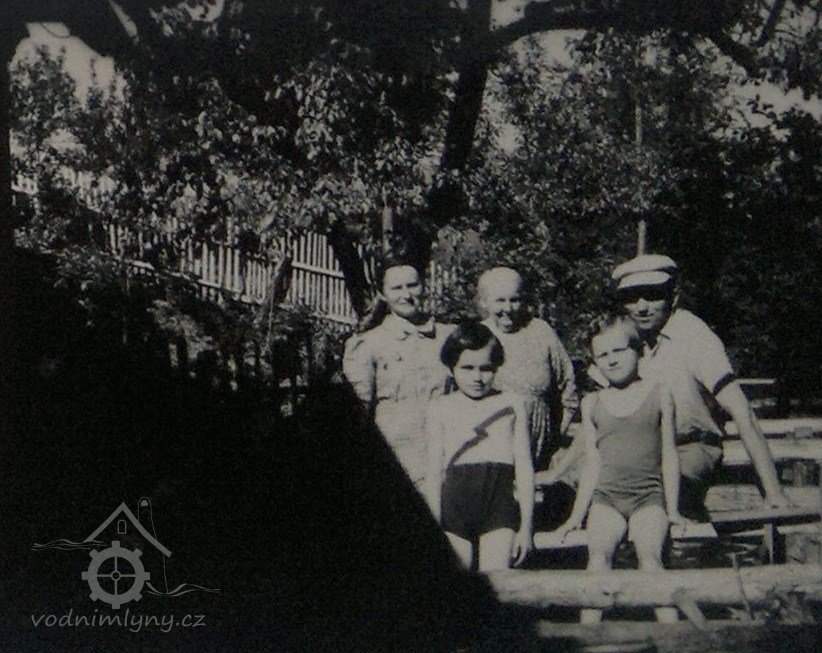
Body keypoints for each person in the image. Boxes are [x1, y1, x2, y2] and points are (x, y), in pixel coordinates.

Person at [610, 253, 791, 520]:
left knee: (653, 494)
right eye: (632, 298)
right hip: (644, 452)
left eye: (653, 295)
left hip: (691, 447)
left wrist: (773, 492)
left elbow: (741, 411)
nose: (642, 307)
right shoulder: (625, 339)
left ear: (673, 297)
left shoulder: (693, 335)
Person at [554, 315, 685, 623]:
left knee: (650, 560)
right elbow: (592, 464)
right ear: (594, 362)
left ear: (639, 351)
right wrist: (575, 516)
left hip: (648, 498)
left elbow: (669, 455)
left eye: (619, 350)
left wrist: (673, 509)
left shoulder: (659, 393)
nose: (611, 360)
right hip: (607, 500)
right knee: (598, 560)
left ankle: (675, 638)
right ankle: (589, 638)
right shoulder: (592, 403)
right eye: (602, 354)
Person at [425, 322, 534, 572]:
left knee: (497, 582)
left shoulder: (511, 402)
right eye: (467, 368)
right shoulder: (439, 407)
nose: (477, 377)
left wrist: (526, 527)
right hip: (454, 509)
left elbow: (524, 467)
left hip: (498, 508)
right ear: (451, 368)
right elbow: (434, 473)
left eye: (486, 369)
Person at [343, 260, 454, 491]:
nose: (407, 295)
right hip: (396, 460)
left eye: (413, 285)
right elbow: (357, 411)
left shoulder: (448, 337)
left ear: (423, 286)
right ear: (382, 294)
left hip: (446, 454)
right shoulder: (368, 344)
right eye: (396, 288)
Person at [477, 267, 578, 470]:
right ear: (484, 302)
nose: (508, 308)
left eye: (514, 300)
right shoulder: (479, 336)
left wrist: (556, 437)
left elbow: (568, 385)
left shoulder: (540, 331)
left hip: (541, 451)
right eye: (500, 301)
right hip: (493, 449)